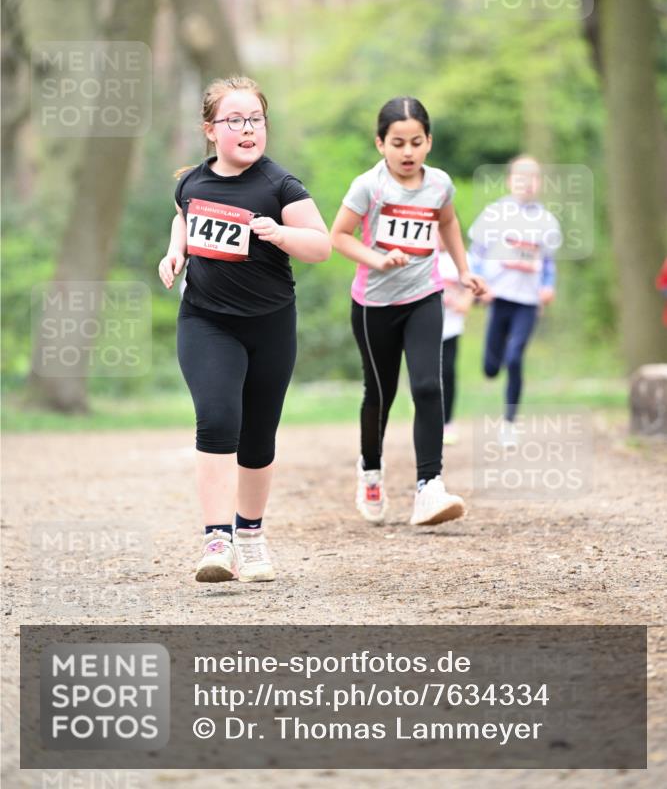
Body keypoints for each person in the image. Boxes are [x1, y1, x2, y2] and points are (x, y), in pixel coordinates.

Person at [158, 76, 330, 583]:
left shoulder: (280, 186)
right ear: (211, 130)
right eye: (235, 120)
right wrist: (175, 252)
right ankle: (218, 541)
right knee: (217, 419)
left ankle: (250, 535)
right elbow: (182, 217)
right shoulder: (192, 183)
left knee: (258, 436)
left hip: (270, 325)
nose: (248, 128)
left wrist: (281, 233)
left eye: (256, 119)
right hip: (206, 320)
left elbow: (321, 246)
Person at [331, 96, 486, 527]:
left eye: (416, 142)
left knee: (428, 386)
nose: (407, 152)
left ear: (428, 142)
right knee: (380, 394)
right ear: (380, 143)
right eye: (397, 143)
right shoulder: (369, 186)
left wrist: (464, 271)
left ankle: (429, 487)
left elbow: (448, 222)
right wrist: (377, 259)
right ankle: (371, 471)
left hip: (424, 295)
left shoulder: (439, 184)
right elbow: (338, 236)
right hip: (374, 304)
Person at [468, 155, 562, 447]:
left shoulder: (547, 221)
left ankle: (509, 423)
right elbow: (476, 253)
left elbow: (548, 262)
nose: (526, 183)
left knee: (515, 357)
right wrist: (480, 284)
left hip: (528, 301)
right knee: (491, 367)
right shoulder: (494, 214)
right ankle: (491, 365)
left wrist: (548, 286)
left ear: (539, 183)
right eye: (520, 177)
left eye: (532, 178)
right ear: (510, 181)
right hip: (499, 296)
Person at [438, 244, 474, 446]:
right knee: (425, 374)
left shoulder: (462, 257)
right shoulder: (423, 253)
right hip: (424, 325)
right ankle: (423, 407)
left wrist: (466, 301)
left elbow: (471, 284)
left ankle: (447, 421)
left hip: (451, 326)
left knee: (448, 372)